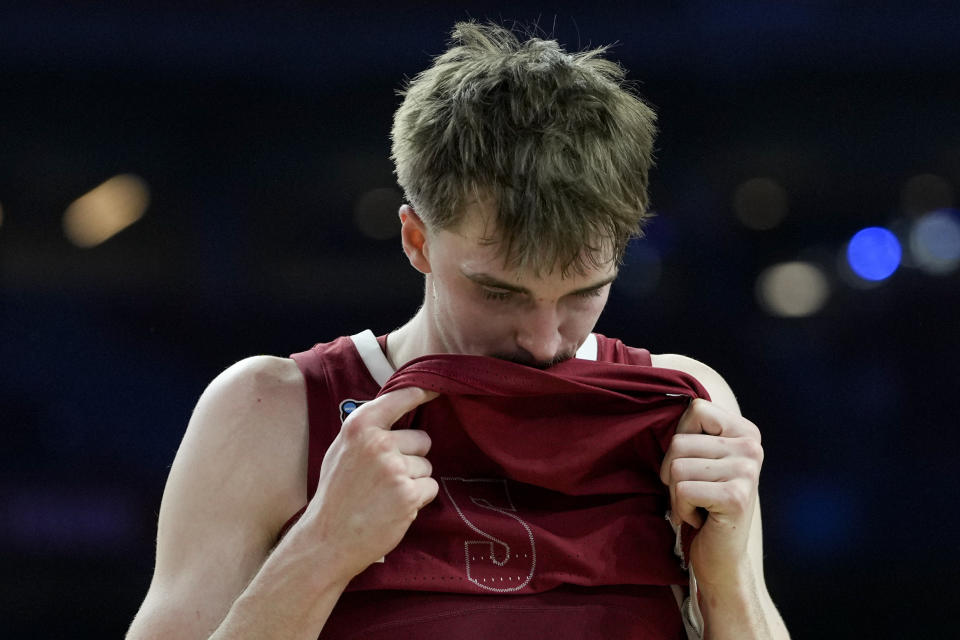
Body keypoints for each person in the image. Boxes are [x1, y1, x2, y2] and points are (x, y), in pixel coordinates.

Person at [126, 21, 789, 639]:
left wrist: (727, 583)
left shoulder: (680, 406)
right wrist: (321, 550)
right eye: (499, 292)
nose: (543, 339)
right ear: (416, 239)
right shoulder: (269, 410)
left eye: (585, 293)